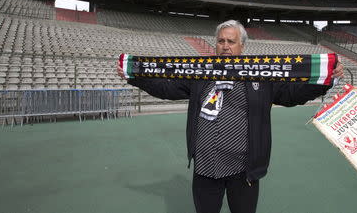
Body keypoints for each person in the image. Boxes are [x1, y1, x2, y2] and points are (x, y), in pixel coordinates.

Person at [117, 20, 344, 213]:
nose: (225, 46)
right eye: (221, 41)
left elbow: (291, 94)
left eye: (231, 41)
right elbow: (166, 89)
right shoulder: (200, 72)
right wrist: (134, 76)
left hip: (243, 170)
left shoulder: (261, 74)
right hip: (205, 168)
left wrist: (326, 81)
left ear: (241, 45)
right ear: (215, 44)